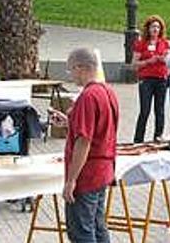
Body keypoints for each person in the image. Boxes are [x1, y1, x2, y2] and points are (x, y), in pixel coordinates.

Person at [49, 48, 119, 243]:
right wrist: (70, 122)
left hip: (88, 174)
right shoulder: (107, 91)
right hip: (104, 169)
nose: (70, 75)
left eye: (70, 69)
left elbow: (84, 142)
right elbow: (98, 129)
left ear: (80, 68)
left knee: (81, 232)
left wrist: (71, 180)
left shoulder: (87, 97)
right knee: (98, 226)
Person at [132, 16, 170, 143]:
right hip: (146, 79)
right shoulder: (141, 43)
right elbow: (134, 63)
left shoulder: (164, 43)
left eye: (158, 27)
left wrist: (163, 59)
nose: (156, 29)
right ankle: (138, 139)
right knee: (145, 110)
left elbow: (169, 60)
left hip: (161, 78)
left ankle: (158, 137)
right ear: (148, 28)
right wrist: (149, 61)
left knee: (159, 110)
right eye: (153, 26)